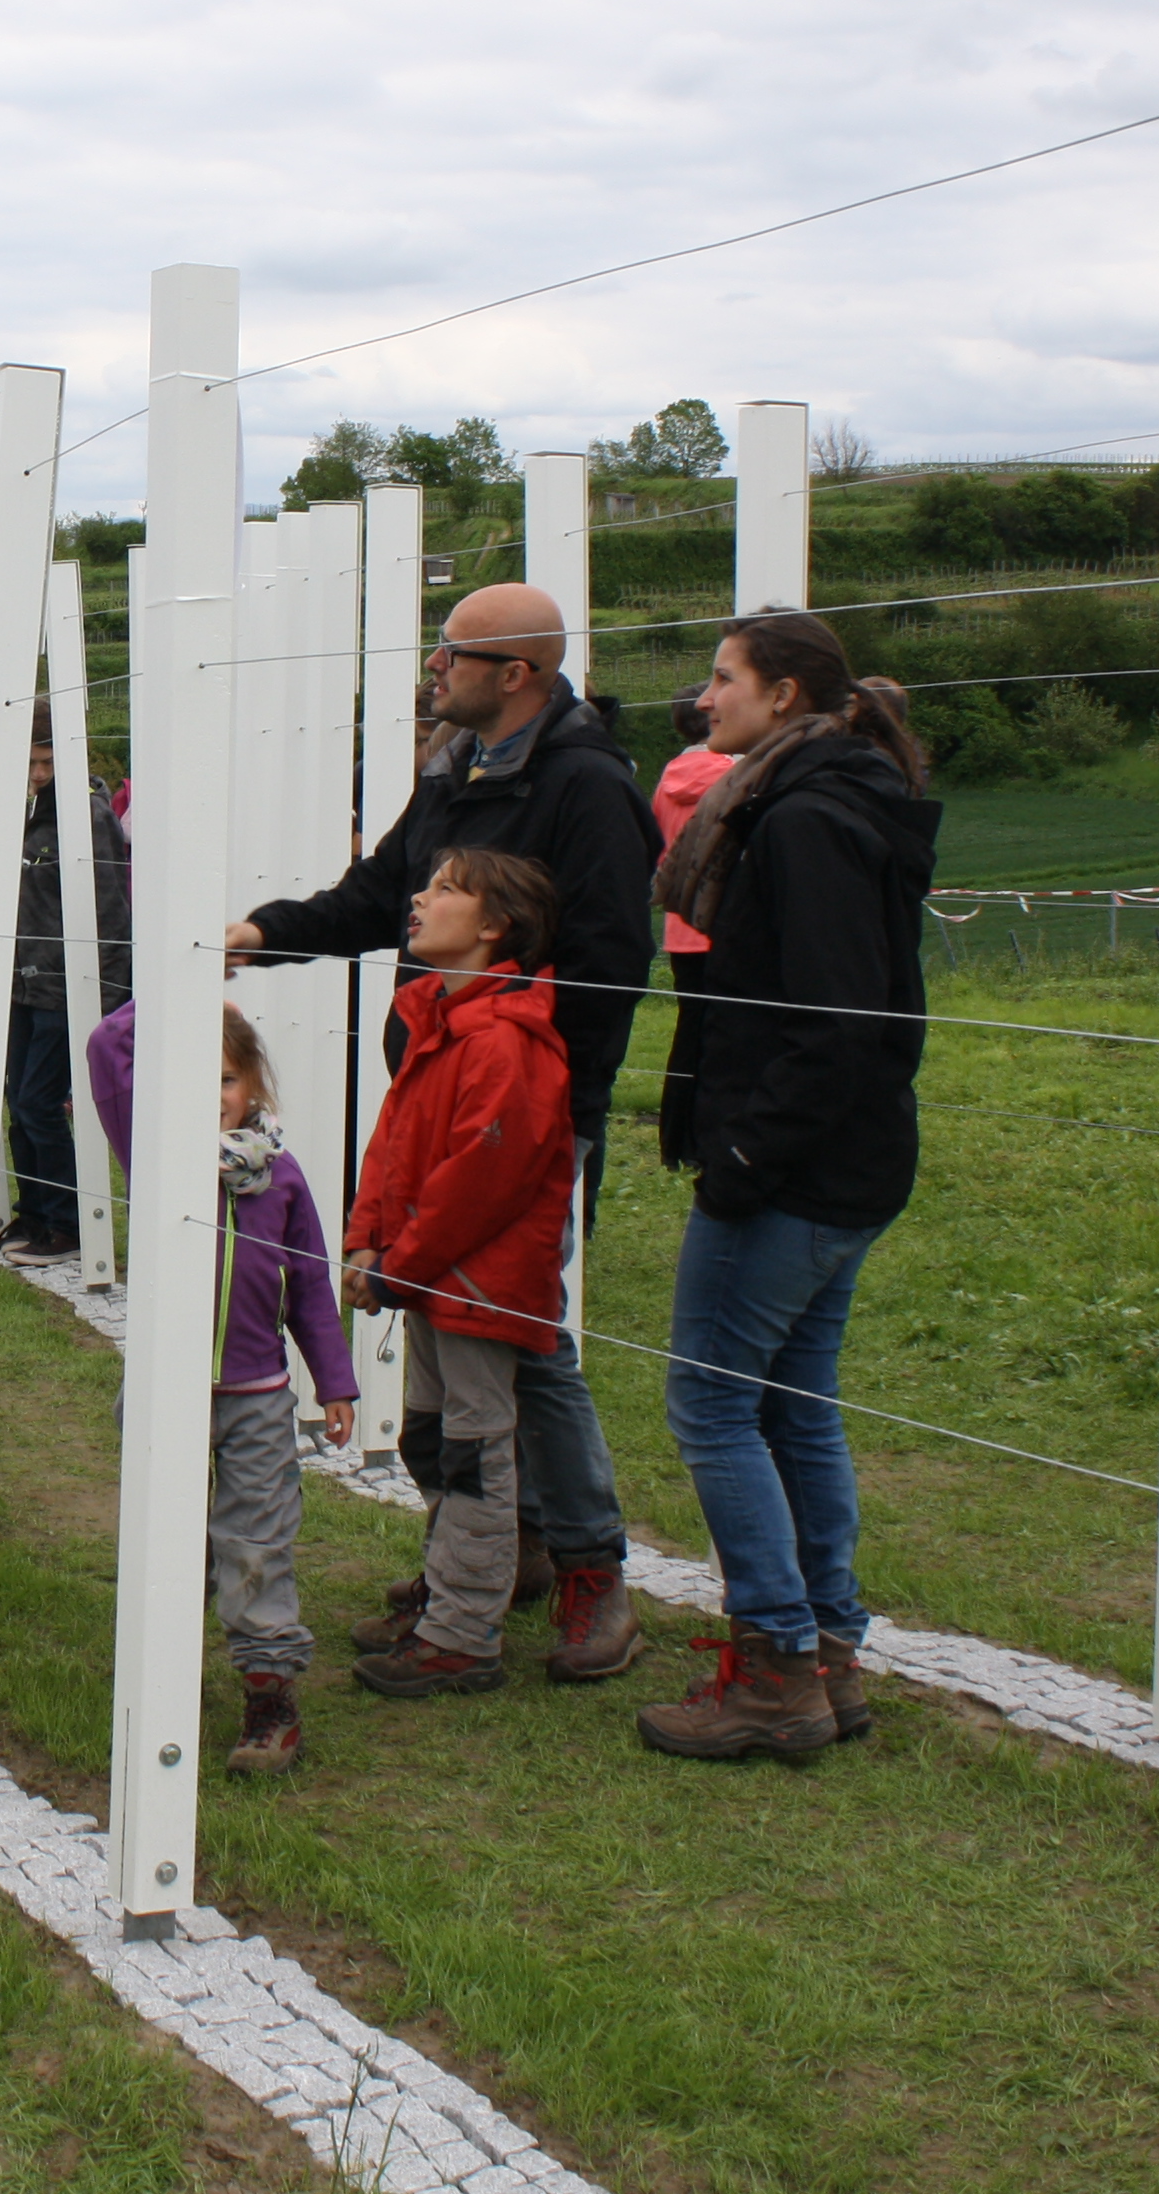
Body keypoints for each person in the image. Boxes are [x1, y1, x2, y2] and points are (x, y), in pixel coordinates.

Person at [222, 582, 654, 1678]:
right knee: (455, 1352)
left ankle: (589, 1570)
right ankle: (495, 1558)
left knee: (520, 1341)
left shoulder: (587, 787)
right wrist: (265, 933)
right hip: (436, 1095)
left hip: (523, 1117)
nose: (432, 666)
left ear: (516, 674)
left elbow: (609, 962)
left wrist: (534, 1095)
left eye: (451, 651)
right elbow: (379, 896)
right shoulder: (458, 770)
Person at [634, 611, 939, 1765]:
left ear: (785, 694)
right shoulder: (830, 799)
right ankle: (827, 1649)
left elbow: (833, 1014)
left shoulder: (806, 819)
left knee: (713, 1405)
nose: (705, 696)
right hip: (850, 1155)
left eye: (724, 678)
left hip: (797, 1167)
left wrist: (748, 1158)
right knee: (795, 1400)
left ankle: (775, 1664)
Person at [335, 848, 588, 1699]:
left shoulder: (508, 1041)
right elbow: (395, 1142)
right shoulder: (437, 1020)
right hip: (427, 1277)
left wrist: (397, 1268)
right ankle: (451, 1591)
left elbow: (482, 1181)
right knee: (429, 1439)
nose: (419, 897)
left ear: (495, 926)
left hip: (475, 1287)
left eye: (446, 889)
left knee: (474, 1452)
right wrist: (367, 1241)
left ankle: (463, 1632)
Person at [86, 995, 357, 1773]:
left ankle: (270, 1697)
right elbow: (107, 1045)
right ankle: (160, 1670)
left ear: (255, 1088)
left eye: (228, 1079)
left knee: (258, 1542)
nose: (212, 1095)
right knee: (168, 1537)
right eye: (195, 1077)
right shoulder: (155, 1155)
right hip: (165, 1394)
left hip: (258, 1398)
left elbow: (311, 1288)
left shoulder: (283, 1178)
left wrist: (335, 1382)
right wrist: (188, 989)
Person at [0, 708, 131, 1261]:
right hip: (23, 983)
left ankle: (69, 1225)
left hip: (66, 985)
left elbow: (111, 912)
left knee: (39, 1102)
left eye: (48, 762)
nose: (38, 773)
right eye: (30, 761)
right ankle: (35, 1214)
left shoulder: (88, 815)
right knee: (18, 1101)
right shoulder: (21, 809)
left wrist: (106, 1003)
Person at [650, 683, 732, 1172]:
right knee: (724, 1035)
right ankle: (707, 1138)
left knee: (689, 1032)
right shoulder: (738, 777)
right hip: (720, 922)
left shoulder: (667, 778)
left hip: (680, 925)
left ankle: (674, 1137)